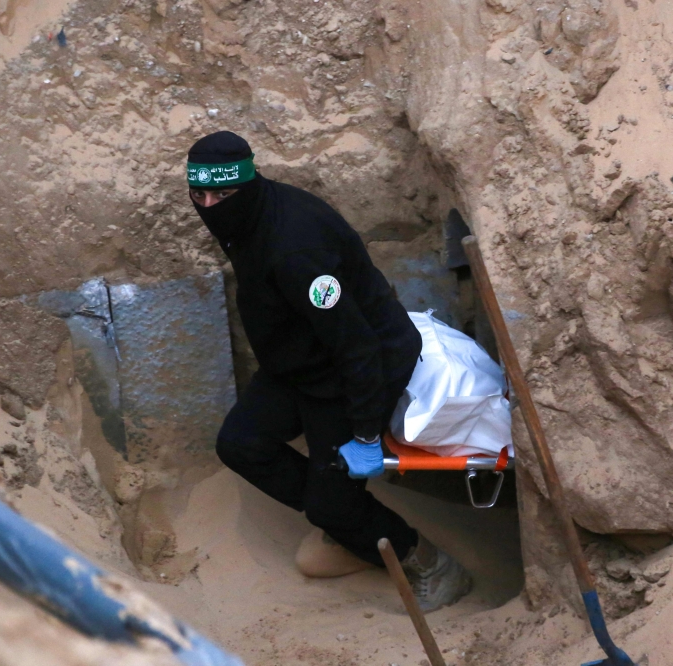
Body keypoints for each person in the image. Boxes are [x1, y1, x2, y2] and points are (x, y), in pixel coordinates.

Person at [187, 131, 472, 612]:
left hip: (354, 371)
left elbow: (358, 346)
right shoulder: (251, 214)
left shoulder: (298, 251)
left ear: (249, 183)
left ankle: (427, 560)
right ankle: (348, 523)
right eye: (200, 195)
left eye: (223, 194)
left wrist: (363, 435)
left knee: (331, 503)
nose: (211, 206)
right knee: (241, 444)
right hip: (299, 364)